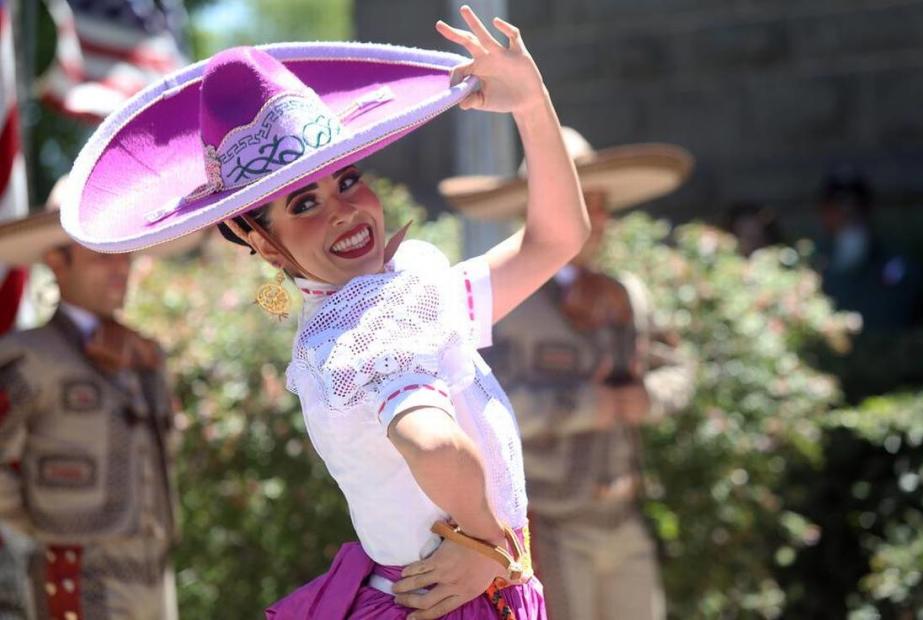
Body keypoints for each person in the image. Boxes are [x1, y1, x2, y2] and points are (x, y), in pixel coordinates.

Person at [61, 7, 590, 619]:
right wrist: (488, 543)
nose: (340, 211)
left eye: (347, 179)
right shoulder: (373, 320)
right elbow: (431, 442)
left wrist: (531, 103)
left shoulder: (402, 292)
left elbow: (553, 241)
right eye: (304, 202)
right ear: (257, 240)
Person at [441, 127, 696, 620]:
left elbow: (679, 370)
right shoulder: (503, 306)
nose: (595, 218)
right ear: (538, 209)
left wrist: (646, 399)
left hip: (623, 517)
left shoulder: (629, 294)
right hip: (549, 525)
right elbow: (485, 407)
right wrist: (590, 406)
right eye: (580, 202)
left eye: (600, 204)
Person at [0, 178, 179, 619]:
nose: (121, 267)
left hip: (156, 571)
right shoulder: (30, 355)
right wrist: (43, 525)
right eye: (101, 254)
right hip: (80, 574)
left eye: (126, 252)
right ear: (57, 262)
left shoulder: (144, 353)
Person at [813, 168, 923, 332]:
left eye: (855, 207)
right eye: (838, 208)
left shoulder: (896, 263)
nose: (848, 215)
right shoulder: (812, 261)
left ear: (868, 211)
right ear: (825, 214)